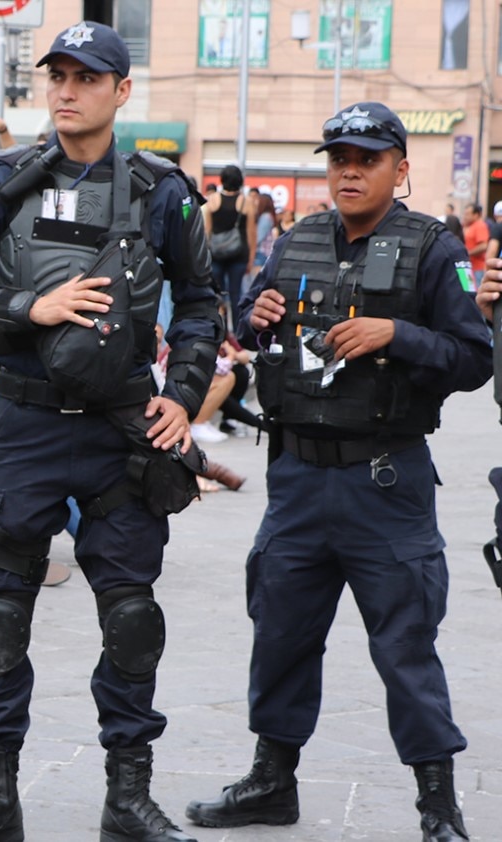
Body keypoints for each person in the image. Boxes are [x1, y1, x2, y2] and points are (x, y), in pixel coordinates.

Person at [0, 21, 223, 842]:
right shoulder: (3, 182)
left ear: (121, 91)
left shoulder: (163, 191)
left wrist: (184, 397)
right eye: (57, 75)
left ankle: (128, 799)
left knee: (132, 619)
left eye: (86, 77)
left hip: (122, 428)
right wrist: (33, 307)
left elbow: (201, 304)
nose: (66, 89)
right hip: (24, 421)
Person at [185, 102, 489, 842]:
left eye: (367, 159)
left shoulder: (433, 248)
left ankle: (438, 805)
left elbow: (474, 358)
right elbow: (254, 326)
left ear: (399, 168)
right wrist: (256, 316)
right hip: (297, 479)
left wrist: (399, 334)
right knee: (280, 632)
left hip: (385, 481)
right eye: (339, 159)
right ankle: (271, 782)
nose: (349, 172)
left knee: (405, 645)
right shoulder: (295, 240)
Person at [204, 164, 259, 317]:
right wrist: (251, 258)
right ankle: (237, 327)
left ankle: (218, 325)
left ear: (222, 179)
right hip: (239, 254)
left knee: (217, 293)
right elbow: (251, 233)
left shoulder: (212, 200)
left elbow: (207, 231)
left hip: (216, 253)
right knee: (236, 294)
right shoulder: (246, 202)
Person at [461, 202, 488, 287]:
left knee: (474, 292)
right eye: (465, 214)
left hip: (476, 269)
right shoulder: (467, 226)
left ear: (476, 215)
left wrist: (467, 253)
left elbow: (483, 246)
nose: (465, 216)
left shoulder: (480, 226)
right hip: (467, 267)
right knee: (467, 289)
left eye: (468, 214)